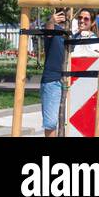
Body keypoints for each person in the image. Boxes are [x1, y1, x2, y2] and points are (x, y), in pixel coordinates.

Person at [40, 8, 68, 138]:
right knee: (51, 123)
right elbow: (48, 31)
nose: (63, 16)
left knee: (70, 121)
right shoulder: (53, 29)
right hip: (52, 80)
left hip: (69, 80)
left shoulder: (70, 33)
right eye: (60, 13)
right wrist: (51, 20)